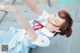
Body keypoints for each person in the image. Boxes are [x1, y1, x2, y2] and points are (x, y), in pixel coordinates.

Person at [0, 0, 73, 53]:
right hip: (16, 34)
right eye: (55, 15)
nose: (52, 18)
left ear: (58, 30)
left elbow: (28, 29)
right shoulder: (47, 18)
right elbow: (34, 8)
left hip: (16, 46)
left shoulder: (45, 40)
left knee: (2, 49)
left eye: (56, 21)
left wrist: (14, 10)